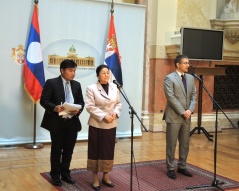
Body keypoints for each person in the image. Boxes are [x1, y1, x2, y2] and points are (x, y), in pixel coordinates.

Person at [40, 59, 85, 186]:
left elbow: (81, 102)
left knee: (68, 150)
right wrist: (55, 108)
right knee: (56, 150)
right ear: (62, 70)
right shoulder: (52, 83)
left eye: (74, 70)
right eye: (70, 70)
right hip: (57, 122)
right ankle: (55, 175)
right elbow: (44, 100)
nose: (73, 73)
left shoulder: (76, 85)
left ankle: (65, 174)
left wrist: (78, 110)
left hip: (72, 122)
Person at [85, 64, 122, 190]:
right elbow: (90, 106)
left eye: (108, 73)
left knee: (108, 150)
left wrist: (115, 113)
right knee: (95, 151)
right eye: (103, 73)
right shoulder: (91, 88)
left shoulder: (114, 87)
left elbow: (118, 103)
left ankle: (106, 176)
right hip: (97, 124)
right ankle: (95, 177)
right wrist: (104, 116)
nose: (106, 75)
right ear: (98, 75)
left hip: (111, 123)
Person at [163, 54, 196, 179]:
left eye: (188, 63)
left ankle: (182, 166)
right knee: (171, 143)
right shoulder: (169, 78)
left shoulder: (191, 78)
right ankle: (170, 168)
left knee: (185, 143)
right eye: (186, 63)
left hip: (187, 116)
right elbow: (170, 97)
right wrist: (183, 111)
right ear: (178, 64)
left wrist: (190, 110)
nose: (188, 65)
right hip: (174, 115)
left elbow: (194, 96)